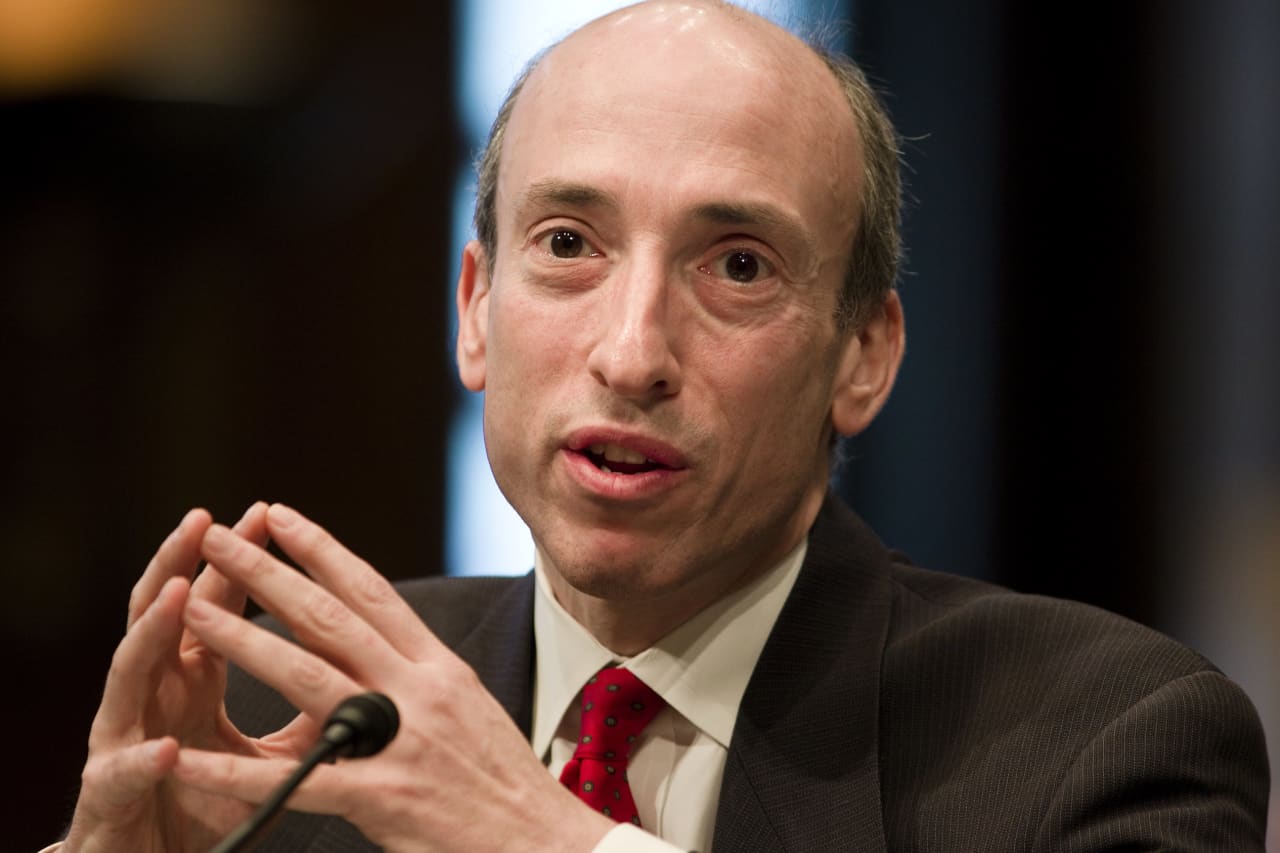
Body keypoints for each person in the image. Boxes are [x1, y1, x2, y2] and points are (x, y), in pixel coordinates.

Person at [54, 1, 1269, 851]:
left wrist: (542, 840)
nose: (632, 354)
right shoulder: (294, 719)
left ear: (862, 354)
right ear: (473, 310)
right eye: (567, 244)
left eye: (736, 265)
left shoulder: (1103, 740)